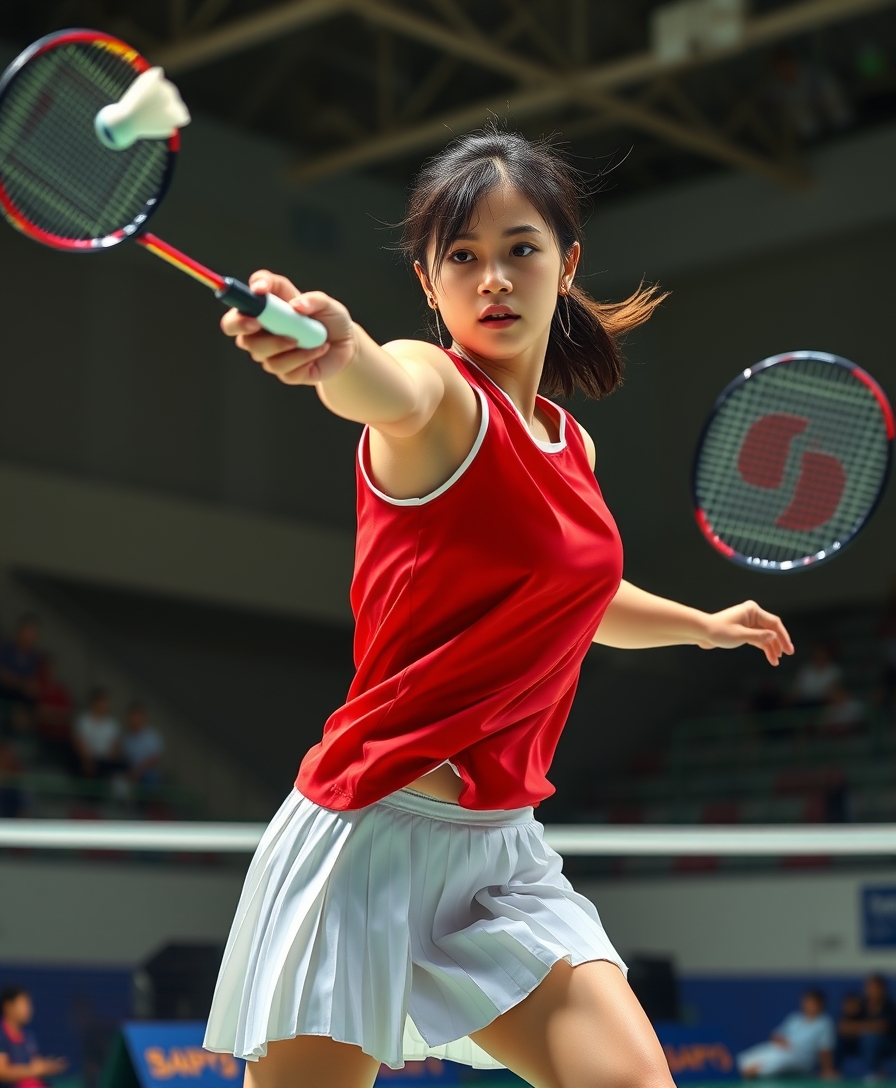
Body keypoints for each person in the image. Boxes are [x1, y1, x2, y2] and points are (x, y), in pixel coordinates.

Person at [201, 125, 794, 1088]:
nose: (494, 280)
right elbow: (377, 383)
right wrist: (335, 347)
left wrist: (700, 623)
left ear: (567, 263)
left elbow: (581, 598)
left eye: (521, 249)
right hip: (370, 836)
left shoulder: (572, 447)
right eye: (463, 258)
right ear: (429, 285)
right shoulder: (437, 399)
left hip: (501, 855)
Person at [737, 988, 835, 1078]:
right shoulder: (795, 1018)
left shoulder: (824, 1023)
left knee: (777, 1060)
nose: (807, 1005)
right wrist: (781, 1041)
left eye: (811, 1002)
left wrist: (827, 1070)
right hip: (781, 1048)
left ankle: (754, 1072)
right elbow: (775, 1034)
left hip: (802, 1058)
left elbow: (825, 1049)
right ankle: (746, 1070)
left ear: (820, 1004)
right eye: (805, 1002)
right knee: (747, 1058)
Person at [0, 986, 67, 1088]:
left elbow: (36, 1064)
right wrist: (34, 1070)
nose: (29, 1009)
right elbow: (2, 1072)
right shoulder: (2, 1034)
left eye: (29, 1004)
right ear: (8, 1006)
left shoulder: (28, 1036)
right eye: (24, 1003)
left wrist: (47, 1067)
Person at [835, 974, 896, 1080]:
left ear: (883, 989)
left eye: (875, 987)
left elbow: (882, 1027)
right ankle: (833, 1070)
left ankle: (875, 1072)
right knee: (840, 1037)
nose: (872, 990)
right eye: (869, 987)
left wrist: (857, 1028)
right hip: (859, 1042)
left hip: (887, 1045)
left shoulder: (890, 1007)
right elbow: (843, 1026)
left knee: (869, 1038)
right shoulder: (860, 1005)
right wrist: (867, 1027)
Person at [72, 688, 124, 779]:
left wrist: (113, 757)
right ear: (94, 702)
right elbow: (79, 742)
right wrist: (87, 761)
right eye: (101, 702)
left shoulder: (112, 724)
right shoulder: (83, 720)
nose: (103, 705)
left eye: (105, 702)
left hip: (105, 761)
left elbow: (115, 747)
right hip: (87, 759)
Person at [0, 617, 41, 710]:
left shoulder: (33, 658)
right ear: (19, 631)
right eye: (26, 633)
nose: (28, 638)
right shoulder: (6, 649)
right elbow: (3, 675)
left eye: (32, 634)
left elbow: (32, 683)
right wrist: (22, 684)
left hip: (19, 699)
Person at [120, 702, 163, 789]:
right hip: (130, 773)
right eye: (132, 716)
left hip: (147, 774)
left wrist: (137, 773)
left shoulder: (152, 735)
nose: (135, 719)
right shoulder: (126, 738)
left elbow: (154, 759)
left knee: (151, 778)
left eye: (137, 716)